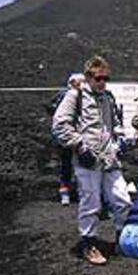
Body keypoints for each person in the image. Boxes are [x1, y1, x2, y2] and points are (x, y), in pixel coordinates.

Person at [52, 55, 131, 265]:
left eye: (106, 78)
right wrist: (79, 145)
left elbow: (116, 122)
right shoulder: (75, 96)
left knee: (122, 199)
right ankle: (89, 244)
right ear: (88, 77)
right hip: (88, 160)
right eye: (98, 78)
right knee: (91, 203)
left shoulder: (108, 97)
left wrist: (120, 140)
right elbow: (60, 124)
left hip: (109, 158)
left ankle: (123, 241)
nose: (103, 82)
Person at [49, 73, 85, 205]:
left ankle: (67, 191)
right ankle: (73, 191)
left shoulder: (61, 95)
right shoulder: (70, 96)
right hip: (71, 135)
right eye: (81, 82)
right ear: (75, 83)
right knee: (74, 163)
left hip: (65, 136)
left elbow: (51, 109)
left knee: (66, 164)